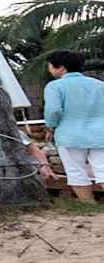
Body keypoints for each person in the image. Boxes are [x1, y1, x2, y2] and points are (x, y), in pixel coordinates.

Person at [42, 48, 104, 204]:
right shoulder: (99, 85)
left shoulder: (54, 86)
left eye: (50, 66)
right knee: (103, 170)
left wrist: (50, 127)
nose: (49, 69)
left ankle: (89, 206)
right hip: (100, 134)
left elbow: (53, 110)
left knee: (76, 171)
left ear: (61, 67)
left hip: (69, 135)